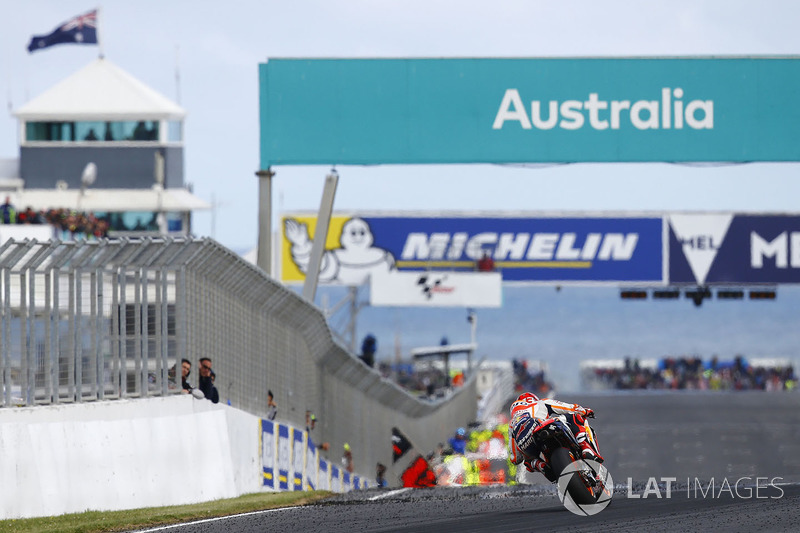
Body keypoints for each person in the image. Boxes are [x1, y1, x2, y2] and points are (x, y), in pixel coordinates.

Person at [508, 391, 602, 482]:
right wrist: (584, 411)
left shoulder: (512, 424)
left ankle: (539, 465)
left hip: (525, 444)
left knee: (528, 461)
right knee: (574, 416)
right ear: (532, 399)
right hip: (541, 426)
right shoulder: (540, 403)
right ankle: (586, 448)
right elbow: (569, 408)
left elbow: (515, 459)